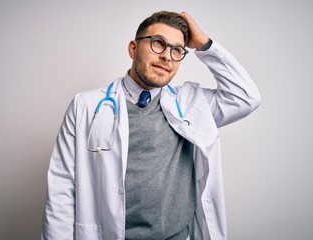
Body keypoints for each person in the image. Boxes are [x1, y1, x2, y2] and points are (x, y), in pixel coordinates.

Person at [41, 10, 261, 240]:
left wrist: (204, 45)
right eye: (158, 43)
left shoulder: (192, 105)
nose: (167, 56)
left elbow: (246, 97)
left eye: (176, 50)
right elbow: (61, 189)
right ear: (133, 49)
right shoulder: (85, 105)